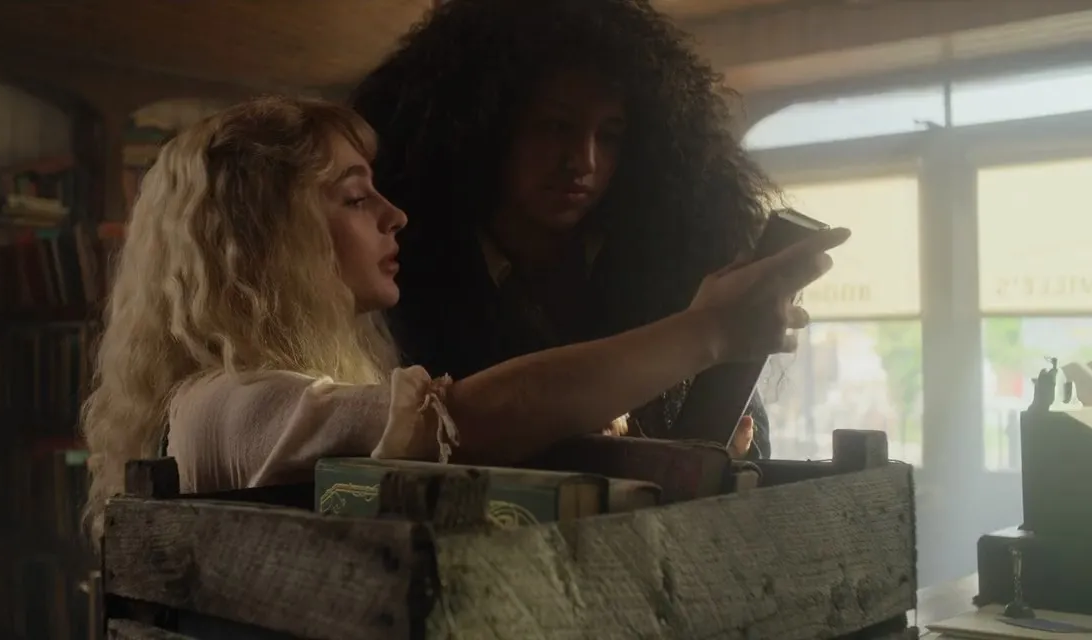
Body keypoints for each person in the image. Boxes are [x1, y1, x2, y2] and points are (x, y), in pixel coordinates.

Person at [80, 95, 846, 543]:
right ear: (264, 238)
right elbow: (468, 420)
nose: (395, 215)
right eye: (355, 197)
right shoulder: (218, 406)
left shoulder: (295, 394)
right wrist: (706, 331)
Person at [351, 0, 780, 457]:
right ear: (483, 127)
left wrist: (732, 452)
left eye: (609, 135)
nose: (584, 161)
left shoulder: (666, 269)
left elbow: (746, 434)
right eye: (556, 127)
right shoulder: (402, 278)